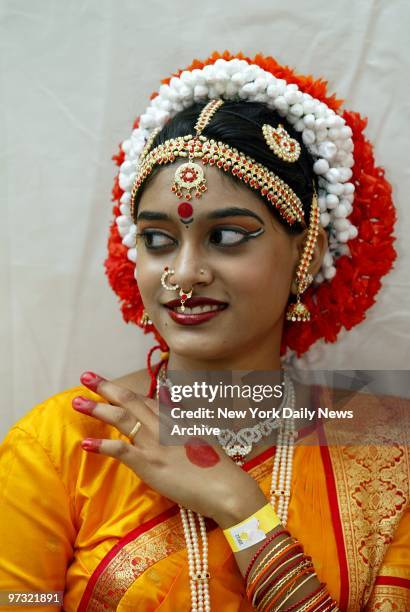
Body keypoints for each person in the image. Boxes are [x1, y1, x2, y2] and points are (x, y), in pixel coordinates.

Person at [0, 52, 408, 611]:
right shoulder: (61, 444)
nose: (185, 274)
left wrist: (243, 512)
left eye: (229, 236)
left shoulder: (391, 452)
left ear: (306, 256)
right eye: (159, 239)